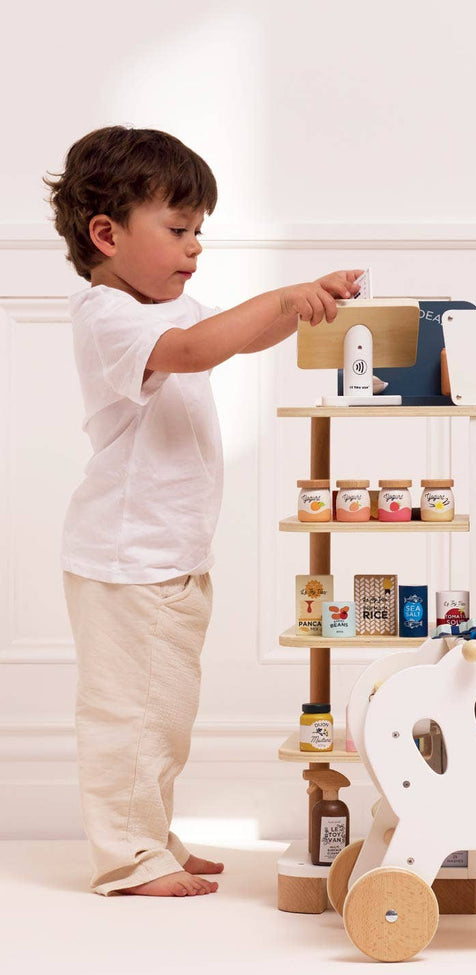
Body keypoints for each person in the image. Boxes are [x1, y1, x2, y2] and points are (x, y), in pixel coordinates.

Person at [46, 125, 362, 896]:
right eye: (179, 230)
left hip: (169, 555)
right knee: (131, 717)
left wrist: (306, 304)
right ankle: (127, 857)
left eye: (200, 233)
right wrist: (283, 298)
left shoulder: (168, 308)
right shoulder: (109, 316)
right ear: (106, 235)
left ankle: (150, 832)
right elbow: (195, 348)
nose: (195, 249)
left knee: (163, 714)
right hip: (128, 561)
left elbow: (233, 337)